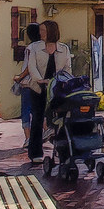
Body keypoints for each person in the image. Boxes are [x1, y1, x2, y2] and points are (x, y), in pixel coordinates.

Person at [26, 20, 72, 164]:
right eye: (40, 30)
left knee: (62, 118)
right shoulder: (33, 47)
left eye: (44, 30)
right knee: (37, 118)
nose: (41, 33)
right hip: (38, 87)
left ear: (52, 31)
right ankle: (35, 153)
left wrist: (65, 82)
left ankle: (62, 150)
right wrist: (40, 80)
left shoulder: (63, 49)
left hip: (56, 87)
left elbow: (67, 68)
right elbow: (31, 66)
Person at [12, 22, 42, 149]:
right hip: (41, 82)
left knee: (26, 110)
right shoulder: (45, 46)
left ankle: (28, 138)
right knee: (40, 109)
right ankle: (42, 133)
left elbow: (30, 66)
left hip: (28, 83)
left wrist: (19, 77)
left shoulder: (31, 48)